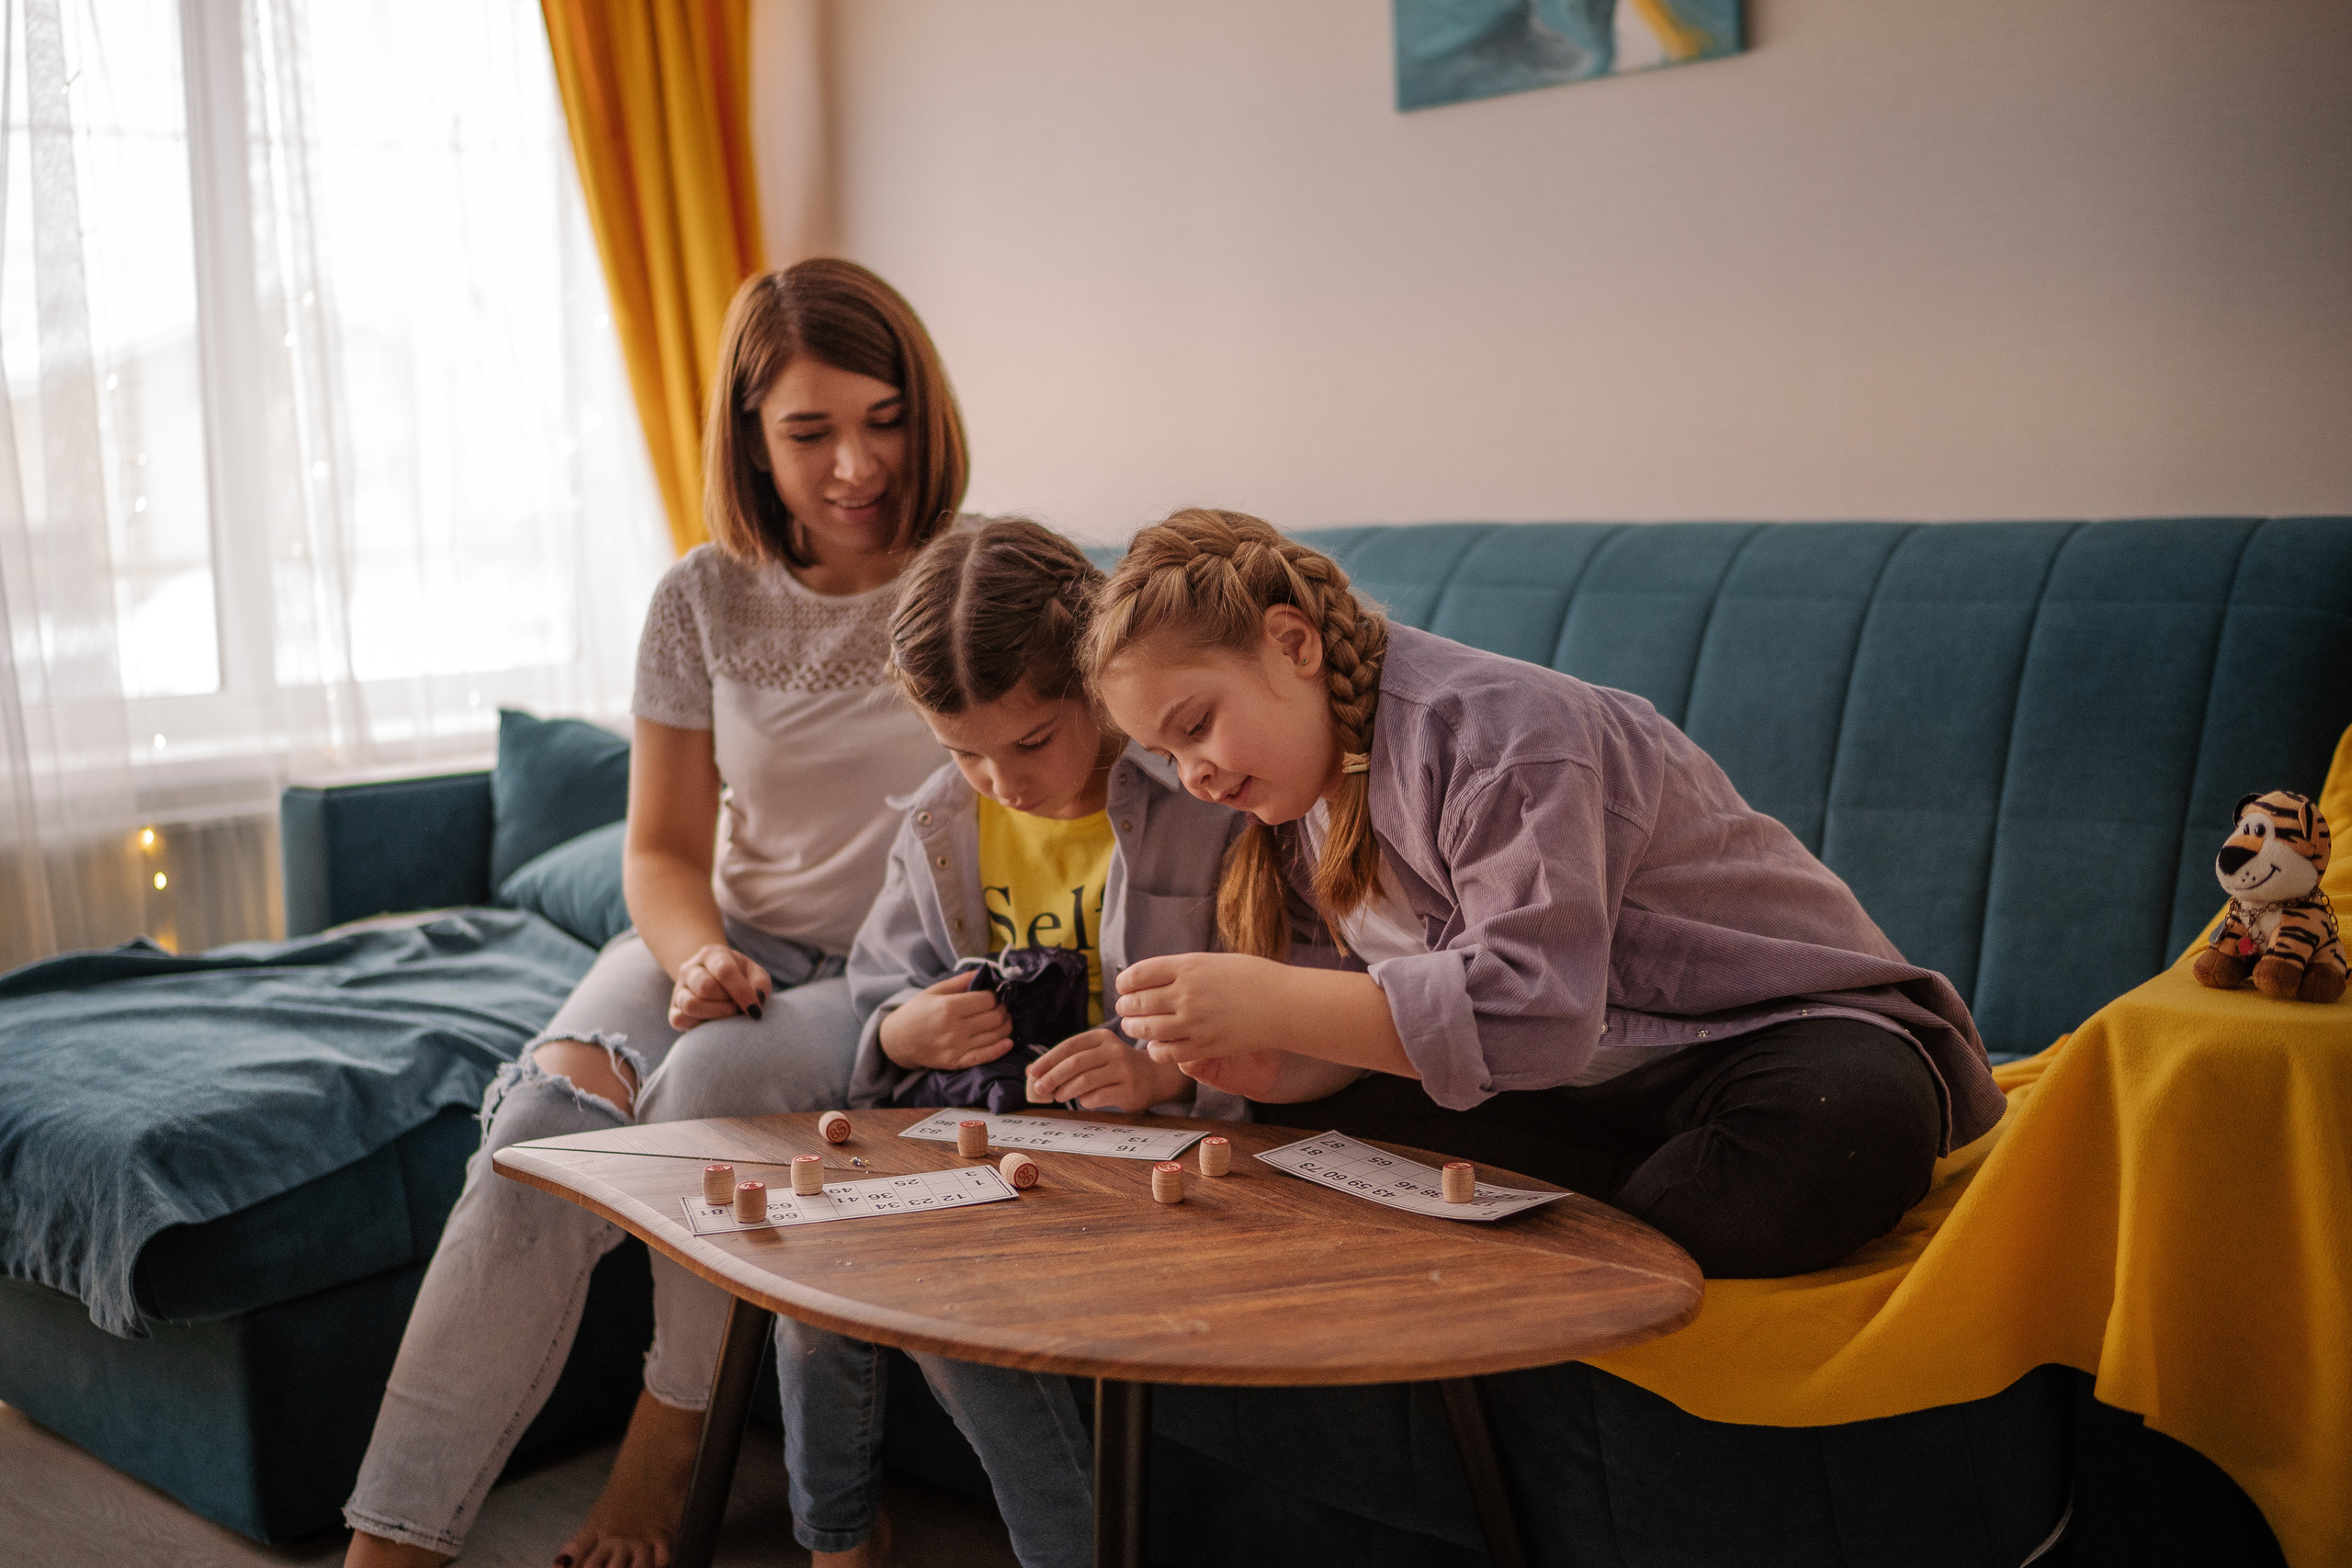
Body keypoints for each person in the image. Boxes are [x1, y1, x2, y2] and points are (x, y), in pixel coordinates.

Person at [343, 259, 968, 1568]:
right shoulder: (701, 596)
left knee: (699, 1110)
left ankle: (667, 1441)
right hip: (725, 937)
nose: (857, 464)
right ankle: (390, 1540)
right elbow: (665, 845)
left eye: (884, 418)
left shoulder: (977, 580)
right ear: (748, 434)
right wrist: (697, 958)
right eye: (810, 432)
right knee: (533, 1128)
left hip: (885, 973)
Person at [1084, 508, 2009, 1280]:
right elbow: (1381, 1038)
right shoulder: (1297, 807)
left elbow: (1530, 1008)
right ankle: (1624, 1216)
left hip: (1757, 1040)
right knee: (1306, 1131)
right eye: (1167, 756)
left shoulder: (1503, 733)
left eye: (1196, 726)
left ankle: (1583, 1225)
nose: (1194, 776)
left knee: (1840, 1128)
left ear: (1291, 643)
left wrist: (1273, 999)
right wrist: (1277, 1065)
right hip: (1586, 1087)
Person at [770, 518, 1244, 1568]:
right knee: (810, 1272)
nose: (1001, 780)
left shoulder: (1194, 803)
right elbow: (878, 991)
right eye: (963, 751)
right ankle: (837, 1544)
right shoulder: (944, 818)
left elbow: (1265, 1004)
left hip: (1141, 1161)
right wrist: (908, 1024)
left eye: (1030, 743)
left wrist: (1162, 1068)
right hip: (981, 1146)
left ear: (1097, 685)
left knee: (953, 1306)